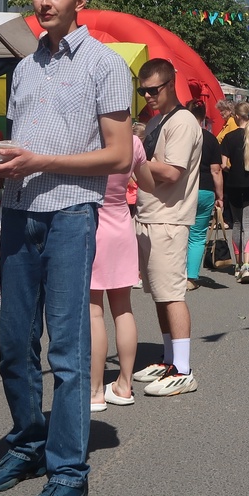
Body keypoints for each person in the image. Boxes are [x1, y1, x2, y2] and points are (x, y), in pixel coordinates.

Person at [0, 0, 133, 496]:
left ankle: (69, 472)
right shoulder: (25, 67)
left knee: (66, 352)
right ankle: (27, 442)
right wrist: (3, 163)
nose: (44, 3)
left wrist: (44, 162)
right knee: (14, 345)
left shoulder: (106, 65)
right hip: (19, 213)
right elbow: (25, 142)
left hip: (70, 215)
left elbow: (118, 156)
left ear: (78, 0)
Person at [130, 59, 202, 398]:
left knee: (172, 294)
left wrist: (133, 160)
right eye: (143, 91)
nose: (148, 97)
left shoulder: (183, 121)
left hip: (168, 219)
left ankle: (184, 369)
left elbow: (173, 172)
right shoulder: (161, 120)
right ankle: (170, 359)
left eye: (154, 90)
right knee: (160, 293)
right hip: (151, 215)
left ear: (171, 84)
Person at [89, 135, 153, 413]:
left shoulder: (89, 137)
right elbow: (148, 183)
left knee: (93, 312)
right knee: (123, 308)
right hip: (122, 226)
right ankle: (124, 385)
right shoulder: (133, 141)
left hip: (92, 224)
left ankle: (94, 391)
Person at [221, 102, 249, 283]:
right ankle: (247, 264)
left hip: (233, 184)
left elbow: (223, 165)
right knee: (248, 223)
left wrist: (231, 171)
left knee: (237, 223)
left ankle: (238, 263)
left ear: (237, 116)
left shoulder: (229, 137)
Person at [185, 100, 224, 287]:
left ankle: (175, 273)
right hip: (206, 189)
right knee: (198, 235)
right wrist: (220, 196)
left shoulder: (181, 135)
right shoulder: (210, 139)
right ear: (203, 116)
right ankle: (191, 277)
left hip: (182, 189)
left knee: (179, 232)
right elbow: (216, 170)